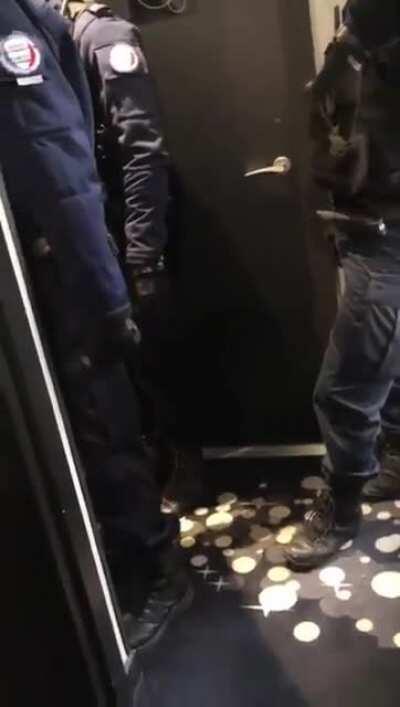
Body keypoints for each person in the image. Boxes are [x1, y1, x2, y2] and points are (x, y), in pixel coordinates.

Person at [0, 0, 191, 648]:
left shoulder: (98, 35)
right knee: (101, 425)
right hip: (72, 257)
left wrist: (138, 262)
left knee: (105, 424)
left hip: (75, 260)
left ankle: (155, 561)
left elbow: (123, 158)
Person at [50, 0, 207, 515]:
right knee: (124, 358)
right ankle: (153, 456)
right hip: (96, 229)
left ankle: (185, 462)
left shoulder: (104, 38)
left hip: (131, 227)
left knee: (156, 352)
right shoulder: (58, 35)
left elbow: (142, 152)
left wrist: (143, 253)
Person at [285, 0, 400, 571]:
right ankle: (394, 460)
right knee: (386, 366)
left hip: (388, 234)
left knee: (345, 387)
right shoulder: (364, 23)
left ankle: (342, 509)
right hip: (367, 224)